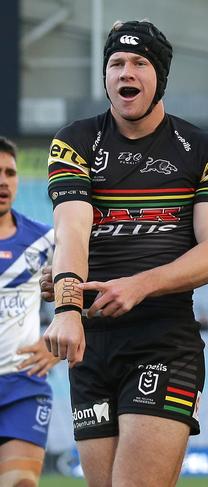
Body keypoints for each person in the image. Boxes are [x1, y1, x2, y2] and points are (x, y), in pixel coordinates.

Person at [43, 20, 208, 487]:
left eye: (139, 63)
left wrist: (140, 285)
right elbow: (72, 226)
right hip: (90, 346)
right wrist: (68, 308)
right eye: (115, 63)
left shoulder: (206, 151)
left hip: (163, 342)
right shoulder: (74, 141)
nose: (124, 72)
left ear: (160, 76)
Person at [0, 136, 58, 486]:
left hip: (24, 386)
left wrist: (56, 342)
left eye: (10, 172)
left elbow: (86, 295)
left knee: (21, 483)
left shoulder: (43, 242)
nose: (3, 181)